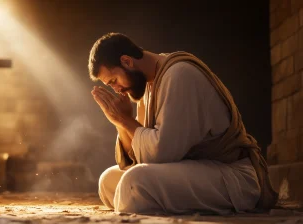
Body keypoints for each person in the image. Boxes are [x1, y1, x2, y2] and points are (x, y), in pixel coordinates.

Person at [88, 33, 278, 214]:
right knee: (109, 181)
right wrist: (121, 122)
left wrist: (124, 120)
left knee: (135, 182)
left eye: (114, 81)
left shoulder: (178, 75)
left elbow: (163, 153)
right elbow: (137, 157)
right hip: (195, 169)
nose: (117, 89)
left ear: (127, 61)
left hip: (231, 176)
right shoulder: (148, 84)